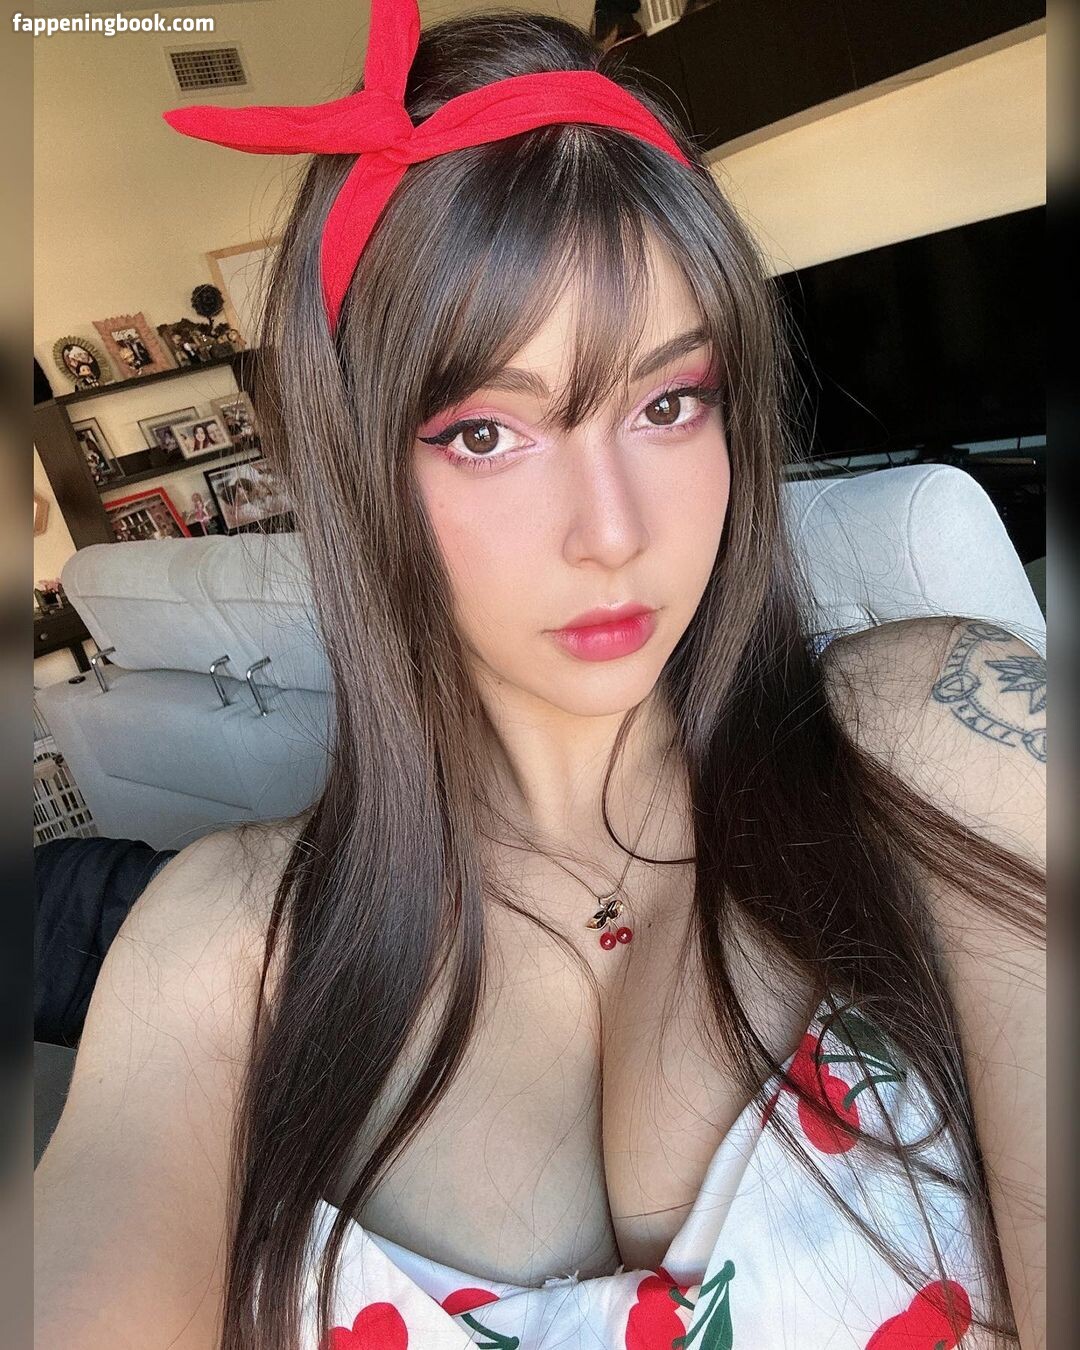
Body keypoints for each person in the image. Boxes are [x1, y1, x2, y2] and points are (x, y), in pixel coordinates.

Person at [35, 5, 1045, 1349]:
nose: (612, 531)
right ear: (358, 472)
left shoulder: (939, 735)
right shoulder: (226, 951)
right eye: (487, 433)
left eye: (668, 403)